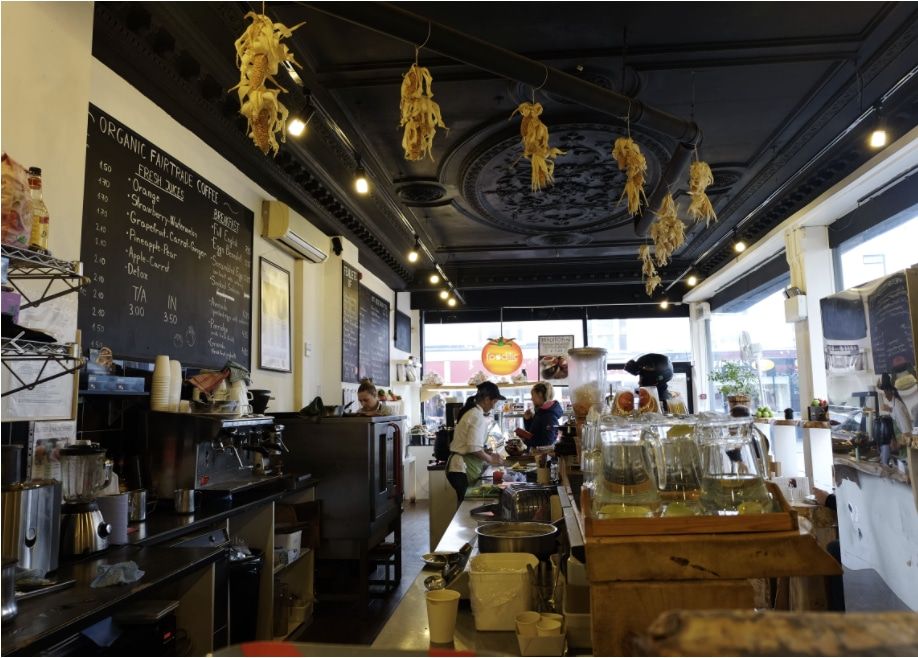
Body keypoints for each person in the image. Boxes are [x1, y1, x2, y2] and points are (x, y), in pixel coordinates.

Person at [447, 381, 505, 505]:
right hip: (460, 469)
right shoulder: (477, 415)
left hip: (457, 467)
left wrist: (485, 452)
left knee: (465, 504)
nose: (493, 406)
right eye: (494, 402)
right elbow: (473, 448)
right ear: (486, 399)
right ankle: (462, 525)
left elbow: (471, 445)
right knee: (467, 505)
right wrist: (490, 459)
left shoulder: (473, 412)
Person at [516, 381, 563, 447]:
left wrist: (525, 440)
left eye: (533, 395)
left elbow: (547, 442)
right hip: (537, 454)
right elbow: (533, 433)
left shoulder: (549, 416)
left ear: (540, 394)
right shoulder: (541, 411)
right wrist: (528, 420)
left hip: (543, 456)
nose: (531, 399)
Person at [878, 374, 912, 466]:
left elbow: (907, 433)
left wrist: (897, 446)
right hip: (902, 451)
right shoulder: (894, 405)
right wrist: (889, 409)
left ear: (891, 391)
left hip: (907, 454)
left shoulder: (898, 406)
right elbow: (896, 415)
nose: (884, 395)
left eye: (885, 392)